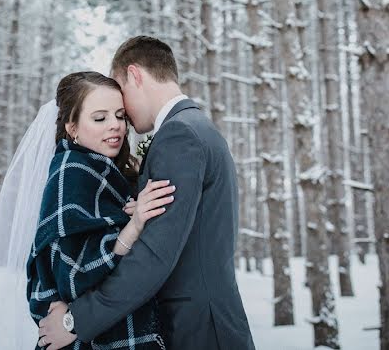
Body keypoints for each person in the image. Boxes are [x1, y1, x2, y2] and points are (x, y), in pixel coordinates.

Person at [38, 36, 256, 350]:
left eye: (120, 91)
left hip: (197, 330)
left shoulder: (179, 135)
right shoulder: (196, 127)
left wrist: (75, 320)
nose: (120, 112)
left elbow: (155, 255)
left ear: (135, 75)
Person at [0, 71, 173, 349]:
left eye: (120, 116)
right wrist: (134, 225)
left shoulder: (107, 171)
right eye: (99, 118)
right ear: (72, 127)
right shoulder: (72, 172)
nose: (115, 126)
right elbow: (72, 274)